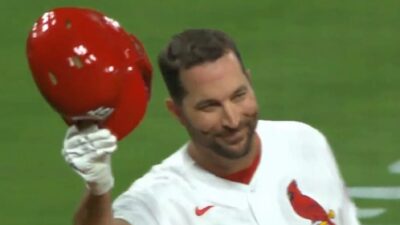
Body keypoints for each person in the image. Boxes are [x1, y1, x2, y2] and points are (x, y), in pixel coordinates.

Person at [63, 29, 360, 225]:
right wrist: (98, 188)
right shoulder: (160, 201)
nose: (232, 120)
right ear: (177, 112)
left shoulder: (304, 141)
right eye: (210, 106)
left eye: (239, 95)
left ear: (250, 82)